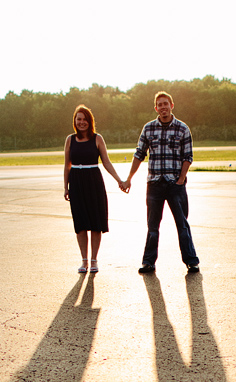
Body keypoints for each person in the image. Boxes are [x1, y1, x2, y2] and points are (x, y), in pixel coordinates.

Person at [125, 91, 200, 274]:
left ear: (171, 105)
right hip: (155, 185)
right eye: (160, 105)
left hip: (175, 185)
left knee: (182, 225)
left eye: (166, 104)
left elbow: (187, 156)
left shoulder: (182, 129)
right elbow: (139, 155)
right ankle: (148, 262)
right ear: (156, 108)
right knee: (152, 226)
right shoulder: (149, 128)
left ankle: (191, 261)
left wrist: (181, 180)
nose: (163, 107)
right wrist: (128, 179)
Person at [64, 105, 127, 274]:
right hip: (76, 182)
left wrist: (119, 180)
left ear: (89, 121)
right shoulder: (70, 139)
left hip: (94, 181)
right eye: (79, 119)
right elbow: (67, 165)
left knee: (95, 222)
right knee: (80, 223)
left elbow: (106, 162)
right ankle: (84, 260)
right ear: (75, 122)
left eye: (84, 119)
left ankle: (94, 260)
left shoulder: (97, 138)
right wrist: (65, 187)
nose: (82, 122)